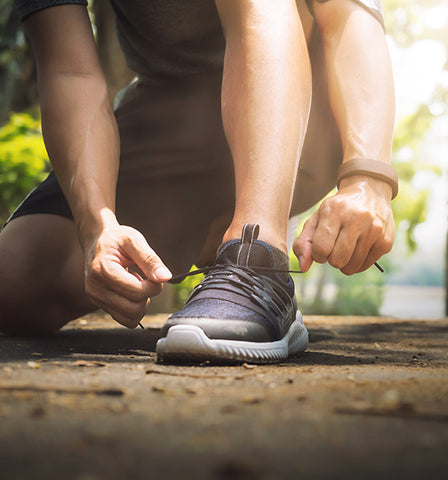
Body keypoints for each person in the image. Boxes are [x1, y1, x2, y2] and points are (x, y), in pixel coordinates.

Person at [0, 0, 396, 363]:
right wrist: (96, 228)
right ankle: (210, 234)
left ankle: (256, 254)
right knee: (15, 280)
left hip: (309, 111)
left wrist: (368, 178)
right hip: (171, 115)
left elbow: (349, 13)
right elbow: (70, 71)